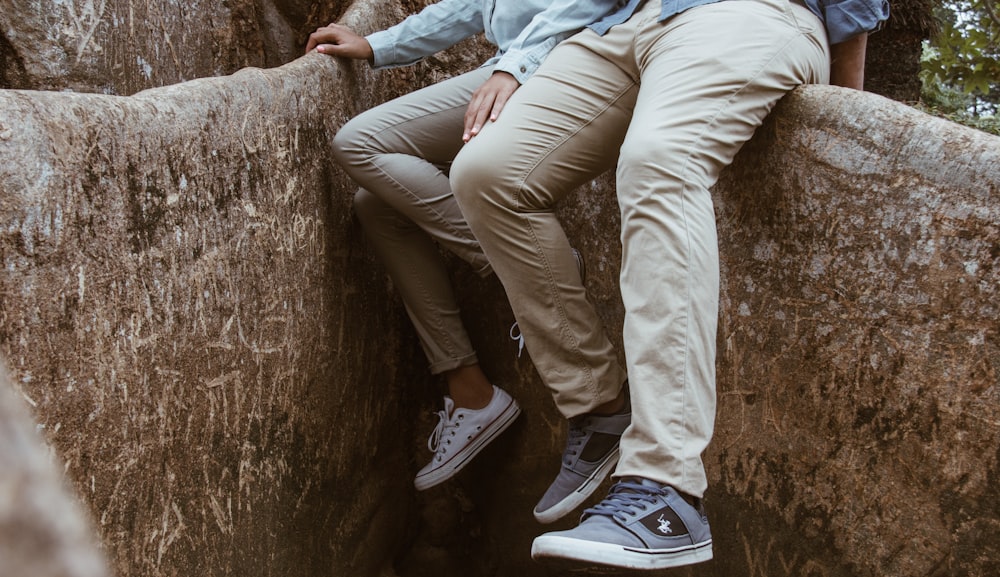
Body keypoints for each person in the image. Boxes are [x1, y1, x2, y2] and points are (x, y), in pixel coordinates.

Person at [449, 0, 889, 569]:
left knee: (659, 159)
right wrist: (518, 61)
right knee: (486, 173)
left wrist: (850, 109)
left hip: (751, 15)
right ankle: (599, 403)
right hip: (626, 21)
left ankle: (666, 488)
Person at [304, 1, 628, 498]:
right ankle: (471, 393)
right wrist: (377, 45)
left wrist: (511, 69)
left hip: (554, 71)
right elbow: (471, 6)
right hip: (506, 68)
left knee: (358, 142)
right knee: (377, 205)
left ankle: (523, 264)